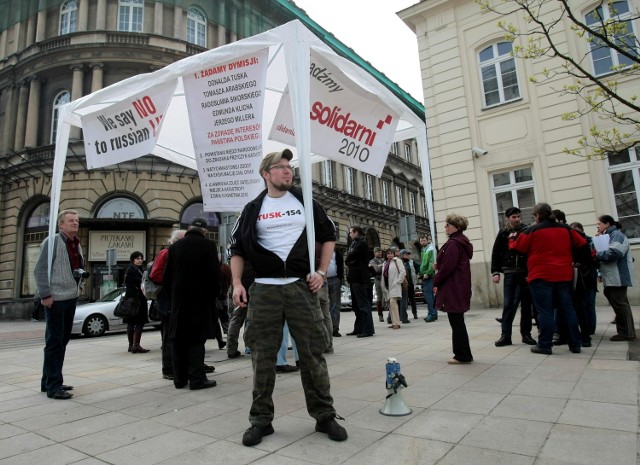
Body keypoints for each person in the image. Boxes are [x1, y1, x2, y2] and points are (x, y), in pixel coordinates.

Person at [229, 148, 347, 447]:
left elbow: (329, 235)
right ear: (265, 174)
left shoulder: (306, 201)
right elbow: (238, 250)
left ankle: (324, 416)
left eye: (289, 166)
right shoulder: (252, 208)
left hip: (300, 287)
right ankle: (260, 421)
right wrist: (237, 284)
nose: (287, 171)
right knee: (262, 356)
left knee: (312, 353)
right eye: (280, 167)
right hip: (264, 289)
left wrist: (321, 270)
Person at [509, 203, 589, 355]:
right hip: (564, 274)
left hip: (541, 275)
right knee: (568, 310)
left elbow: (518, 247)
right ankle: (575, 344)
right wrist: (576, 260)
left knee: (545, 311)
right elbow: (582, 244)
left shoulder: (532, 230)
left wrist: (512, 239)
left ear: (537, 216)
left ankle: (545, 345)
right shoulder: (566, 229)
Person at [163, 218, 221, 390]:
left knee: (179, 339)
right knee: (196, 340)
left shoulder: (174, 247)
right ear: (203, 231)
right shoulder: (208, 246)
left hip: (179, 303)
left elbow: (167, 278)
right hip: (200, 302)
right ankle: (197, 379)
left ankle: (179, 379)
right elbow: (214, 276)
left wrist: (173, 297)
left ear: (188, 229)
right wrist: (213, 296)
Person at [33, 209, 84, 400]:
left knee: (61, 341)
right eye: (71, 220)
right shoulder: (52, 242)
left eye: (77, 220)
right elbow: (39, 269)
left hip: (70, 298)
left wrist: (79, 286)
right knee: (54, 342)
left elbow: (78, 268)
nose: (75, 223)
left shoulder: (76, 244)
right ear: (61, 224)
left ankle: (50, 381)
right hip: (55, 299)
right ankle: (53, 386)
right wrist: (45, 294)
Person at [491, 207, 536, 347]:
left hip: (524, 272)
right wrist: (496, 272)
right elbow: (496, 252)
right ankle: (505, 335)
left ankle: (526, 334)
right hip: (510, 272)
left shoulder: (527, 230)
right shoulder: (503, 233)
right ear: (507, 218)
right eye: (513, 217)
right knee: (508, 304)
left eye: (518, 216)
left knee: (526, 305)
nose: (516, 219)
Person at [434, 214, 474, 364]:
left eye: (447, 224)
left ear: (456, 226)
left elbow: (448, 267)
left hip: (453, 286)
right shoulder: (460, 242)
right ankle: (464, 353)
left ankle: (462, 355)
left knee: (456, 322)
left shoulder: (453, 243)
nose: (445, 227)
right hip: (458, 285)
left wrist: (436, 280)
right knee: (458, 321)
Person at [150, 229, 187, 379]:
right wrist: (173, 282)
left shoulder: (176, 253)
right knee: (169, 335)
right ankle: (168, 369)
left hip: (175, 297)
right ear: (177, 241)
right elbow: (155, 274)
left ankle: (177, 366)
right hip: (168, 298)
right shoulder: (166, 253)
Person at [595, 215, 636, 341]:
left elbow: (615, 252)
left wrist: (597, 254)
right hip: (613, 275)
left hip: (618, 275)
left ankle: (627, 333)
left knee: (620, 303)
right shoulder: (609, 236)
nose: (598, 226)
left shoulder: (616, 235)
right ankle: (625, 331)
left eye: (600, 224)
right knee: (618, 302)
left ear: (607, 224)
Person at [345, 226, 375, 338]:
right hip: (354, 278)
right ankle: (358, 328)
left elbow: (351, 257)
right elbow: (349, 258)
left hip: (360, 278)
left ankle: (368, 329)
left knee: (363, 305)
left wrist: (349, 260)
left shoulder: (361, 243)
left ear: (356, 232)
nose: (349, 234)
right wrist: (349, 260)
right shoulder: (354, 243)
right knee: (356, 305)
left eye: (351, 232)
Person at [123, 251, 150, 353]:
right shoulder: (131, 269)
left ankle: (132, 345)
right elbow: (138, 282)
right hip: (136, 300)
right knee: (137, 322)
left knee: (133, 322)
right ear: (133, 259)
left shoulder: (138, 269)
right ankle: (135, 345)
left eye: (141, 258)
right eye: (137, 258)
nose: (140, 260)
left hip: (133, 299)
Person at [380, 248, 405, 329]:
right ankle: (393, 322)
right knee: (390, 305)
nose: (390, 255)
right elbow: (383, 275)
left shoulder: (397, 261)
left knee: (392, 302)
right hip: (387, 287)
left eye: (391, 253)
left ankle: (397, 323)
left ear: (394, 254)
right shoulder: (385, 263)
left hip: (395, 285)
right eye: (388, 254)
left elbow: (402, 272)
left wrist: (398, 281)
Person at [419, 235, 437, 322]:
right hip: (426, 274)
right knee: (430, 296)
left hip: (428, 275)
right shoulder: (424, 249)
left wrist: (427, 273)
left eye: (424, 240)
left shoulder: (430, 249)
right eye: (421, 241)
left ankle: (432, 314)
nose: (422, 242)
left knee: (428, 296)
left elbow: (431, 262)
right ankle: (433, 313)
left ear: (427, 240)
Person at [327, 249, 343, 337]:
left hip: (334, 279)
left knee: (335, 305)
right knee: (322, 305)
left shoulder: (337, 252)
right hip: (321, 279)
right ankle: (325, 328)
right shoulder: (318, 249)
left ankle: (335, 328)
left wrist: (339, 278)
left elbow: (340, 265)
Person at [400, 249, 418, 320]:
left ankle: (415, 313)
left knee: (412, 299)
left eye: (408, 254)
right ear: (402, 255)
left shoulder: (411, 262)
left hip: (410, 284)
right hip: (403, 285)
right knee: (404, 300)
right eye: (406, 254)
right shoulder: (400, 262)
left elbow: (419, 267)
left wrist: (419, 273)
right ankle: (403, 315)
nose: (407, 255)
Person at [369, 247, 385, 322]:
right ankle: (380, 315)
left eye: (381, 252)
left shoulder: (383, 260)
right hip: (378, 279)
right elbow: (376, 270)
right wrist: (383, 265)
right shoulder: (372, 261)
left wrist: (381, 265)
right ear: (375, 253)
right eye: (378, 252)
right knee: (379, 297)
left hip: (385, 279)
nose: (380, 253)